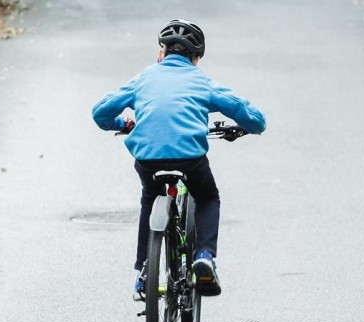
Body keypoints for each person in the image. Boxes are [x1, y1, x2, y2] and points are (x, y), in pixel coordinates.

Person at [91, 19, 266, 299]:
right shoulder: (202, 81)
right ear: (196, 59)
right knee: (207, 197)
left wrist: (123, 124)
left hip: (147, 158)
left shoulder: (144, 78)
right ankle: (205, 257)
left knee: (150, 197)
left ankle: (144, 270)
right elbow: (246, 112)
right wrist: (252, 126)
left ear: (161, 53)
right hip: (189, 159)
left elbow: (100, 112)